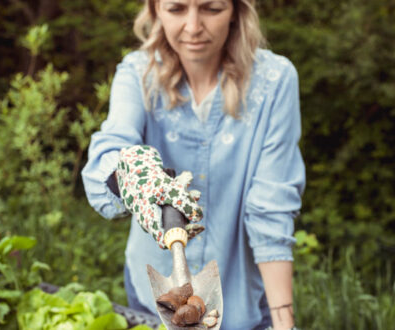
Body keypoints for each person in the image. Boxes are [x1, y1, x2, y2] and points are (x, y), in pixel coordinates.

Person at [81, 0, 305, 328]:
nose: (193, 26)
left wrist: (285, 323)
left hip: (242, 297)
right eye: (177, 9)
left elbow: (271, 212)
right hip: (154, 298)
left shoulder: (275, 81)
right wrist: (136, 178)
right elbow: (111, 150)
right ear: (156, 10)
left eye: (211, 9)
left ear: (236, 11)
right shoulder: (137, 73)